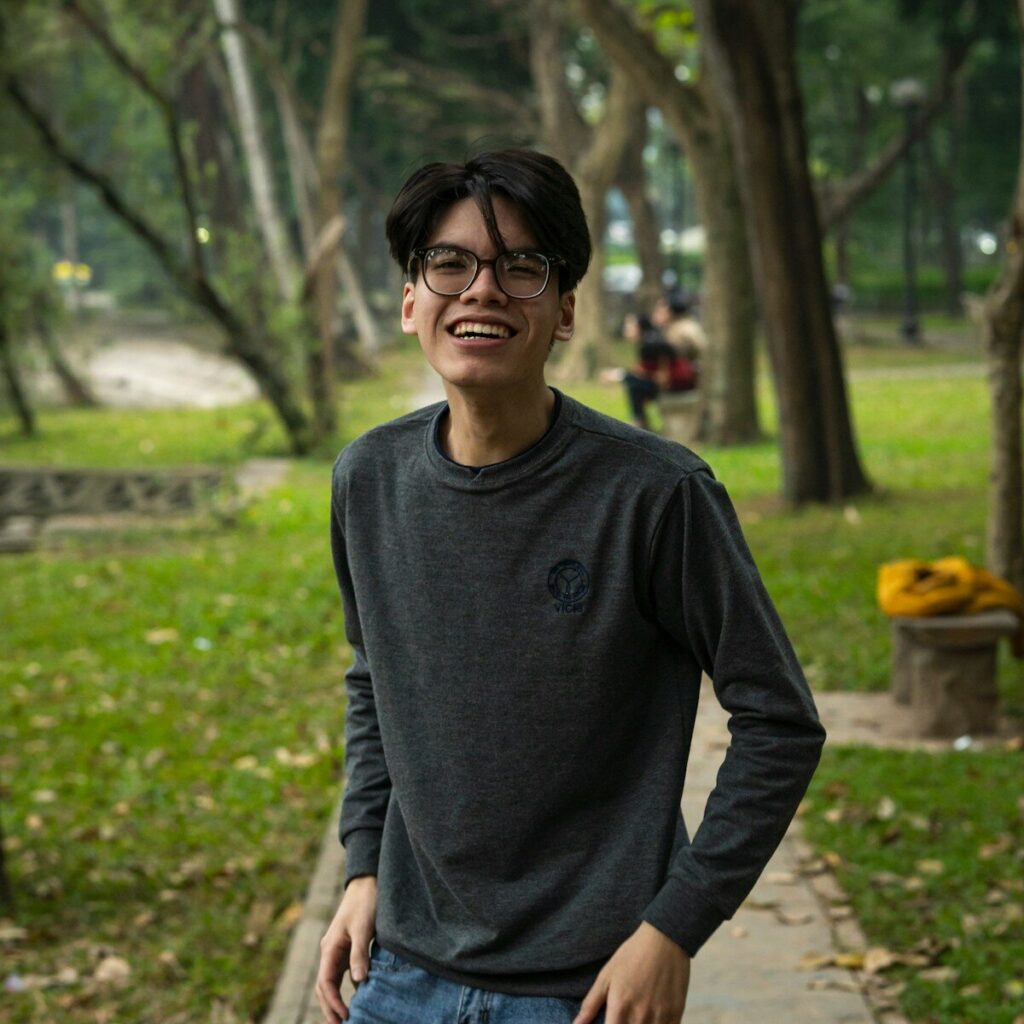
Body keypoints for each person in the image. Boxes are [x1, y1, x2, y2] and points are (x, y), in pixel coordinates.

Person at [318, 149, 826, 1024]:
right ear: (411, 300)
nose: (481, 290)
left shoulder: (657, 494)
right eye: (450, 263)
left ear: (564, 311)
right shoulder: (367, 480)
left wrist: (673, 927)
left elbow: (779, 721)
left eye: (521, 268)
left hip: (588, 989)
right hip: (399, 970)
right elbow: (375, 679)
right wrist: (365, 863)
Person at [610, 312, 698, 431]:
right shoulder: (648, 341)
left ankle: (639, 421)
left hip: (676, 382)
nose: (626, 329)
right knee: (633, 382)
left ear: (639, 327)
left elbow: (646, 369)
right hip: (670, 382)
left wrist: (620, 375)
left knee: (632, 383)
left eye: (629, 326)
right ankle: (640, 421)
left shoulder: (649, 343)